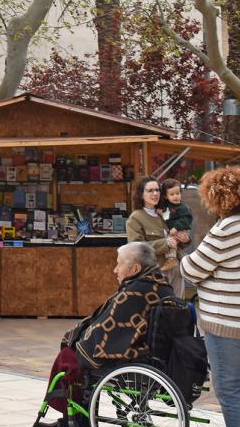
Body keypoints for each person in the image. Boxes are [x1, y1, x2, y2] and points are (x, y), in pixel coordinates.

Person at [36, 243, 174, 427]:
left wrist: (77, 340)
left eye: (119, 264)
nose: (115, 270)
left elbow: (105, 330)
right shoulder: (161, 285)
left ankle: (75, 421)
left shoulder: (134, 292)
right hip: (153, 354)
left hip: (135, 358)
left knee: (72, 358)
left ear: (135, 269)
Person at [180, 167, 240, 427]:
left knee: (229, 391)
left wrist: (182, 256)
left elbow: (191, 270)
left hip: (228, 325)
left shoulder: (225, 230)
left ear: (216, 197)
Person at [126, 176, 177, 271]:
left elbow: (175, 241)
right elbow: (137, 249)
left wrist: (185, 240)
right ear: (141, 194)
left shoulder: (164, 213)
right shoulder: (135, 218)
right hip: (154, 272)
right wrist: (165, 243)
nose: (155, 193)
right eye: (150, 191)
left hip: (175, 270)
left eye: (157, 190)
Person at [161, 178, 193, 293]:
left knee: (172, 241)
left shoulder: (182, 207)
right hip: (171, 232)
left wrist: (177, 228)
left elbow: (187, 219)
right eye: (172, 194)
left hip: (179, 230)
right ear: (165, 196)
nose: (176, 196)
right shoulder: (165, 206)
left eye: (178, 193)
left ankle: (172, 260)